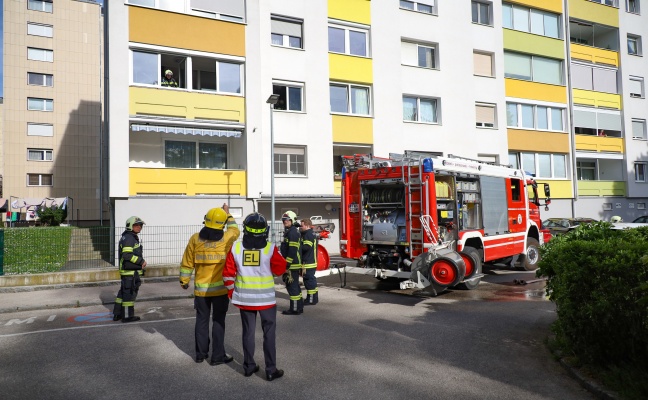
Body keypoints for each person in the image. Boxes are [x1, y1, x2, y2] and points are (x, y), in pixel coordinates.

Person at [223, 213, 286, 381]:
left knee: (248, 333)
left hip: (244, 300)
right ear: (264, 230)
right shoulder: (270, 248)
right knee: (269, 334)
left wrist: (233, 294)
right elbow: (280, 269)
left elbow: (227, 275)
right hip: (266, 301)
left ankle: (249, 367)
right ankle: (271, 370)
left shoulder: (236, 248)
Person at [179, 203, 240, 365]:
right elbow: (235, 230)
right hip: (221, 291)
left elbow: (187, 261)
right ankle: (217, 356)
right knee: (219, 322)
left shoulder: (195, 238)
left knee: (201, 321)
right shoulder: (227, 239)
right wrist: (228, 214)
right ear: (222, 224)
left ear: (205, 221)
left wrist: (184, 280)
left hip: (201, 292)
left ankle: (200, 354)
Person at [113, 216, 147, 323]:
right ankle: (127, 316)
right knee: (129, 294)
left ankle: (117, 314)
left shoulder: (128, 237)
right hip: (130, 273)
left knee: (123, 293)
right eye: (136, 225)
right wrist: (141, 261)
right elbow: (127, 255)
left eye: (140, 225)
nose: (139, 227)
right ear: (130, 226)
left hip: (127, 271)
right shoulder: (129, 238)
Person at [279, 210, 303, 315]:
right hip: (293, 263)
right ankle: (299, 307)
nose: (285, 221)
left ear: (292, 220)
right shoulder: (291, 231)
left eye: (287, 220)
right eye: (283, 220)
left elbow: (292, 250)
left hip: (292, 264)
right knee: (295, 286)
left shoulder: (292, 232)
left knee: (291, 286)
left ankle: (294, 309)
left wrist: (287, 264)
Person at [299, 218, 319, 306]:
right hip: (311, 261)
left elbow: (306, 247)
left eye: (301, 225)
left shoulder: (308, 234)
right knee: (311, 280)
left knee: (308, 281)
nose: (300, 227)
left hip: (308, 262)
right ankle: (314, 298)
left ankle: (310, 299)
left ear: (307, 225)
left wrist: (297, 246)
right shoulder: (311, 233)